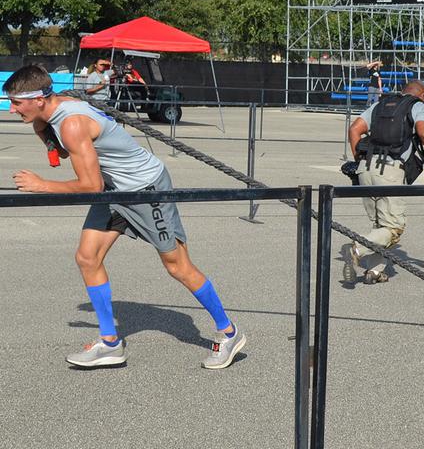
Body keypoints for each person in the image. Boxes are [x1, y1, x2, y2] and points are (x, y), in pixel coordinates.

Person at [4, 65, 246, 369]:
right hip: (114, 189)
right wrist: (41, 131)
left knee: (177, 266)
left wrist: (42, 186)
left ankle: (229, 333)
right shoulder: (56, 111)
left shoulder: (72, 124)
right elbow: (70, 158)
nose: (12, 109)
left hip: (146, 189)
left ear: (39, 99)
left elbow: (89, 186)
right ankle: (110, 344)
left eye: (16, 102)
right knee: (87, 257)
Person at [346, 80, 424, 284]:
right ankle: (358, 248)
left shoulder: (380, 105)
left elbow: (354, 130)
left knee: (379, 225)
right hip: (391, 170)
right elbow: (423, 131)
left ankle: (374, 272)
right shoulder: (418, 106)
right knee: (393, 228)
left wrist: (359, 162)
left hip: (365, 168)